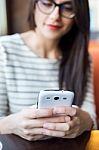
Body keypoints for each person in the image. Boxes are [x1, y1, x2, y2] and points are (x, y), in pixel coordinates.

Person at [0, 0, 97, 141]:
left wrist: (83, 121)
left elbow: (91, 116)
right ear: (34, 5)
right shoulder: (3, 50)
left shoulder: (81, 57)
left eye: (68, 8)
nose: (55, 16)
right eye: (46, 3)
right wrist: (13, 125)